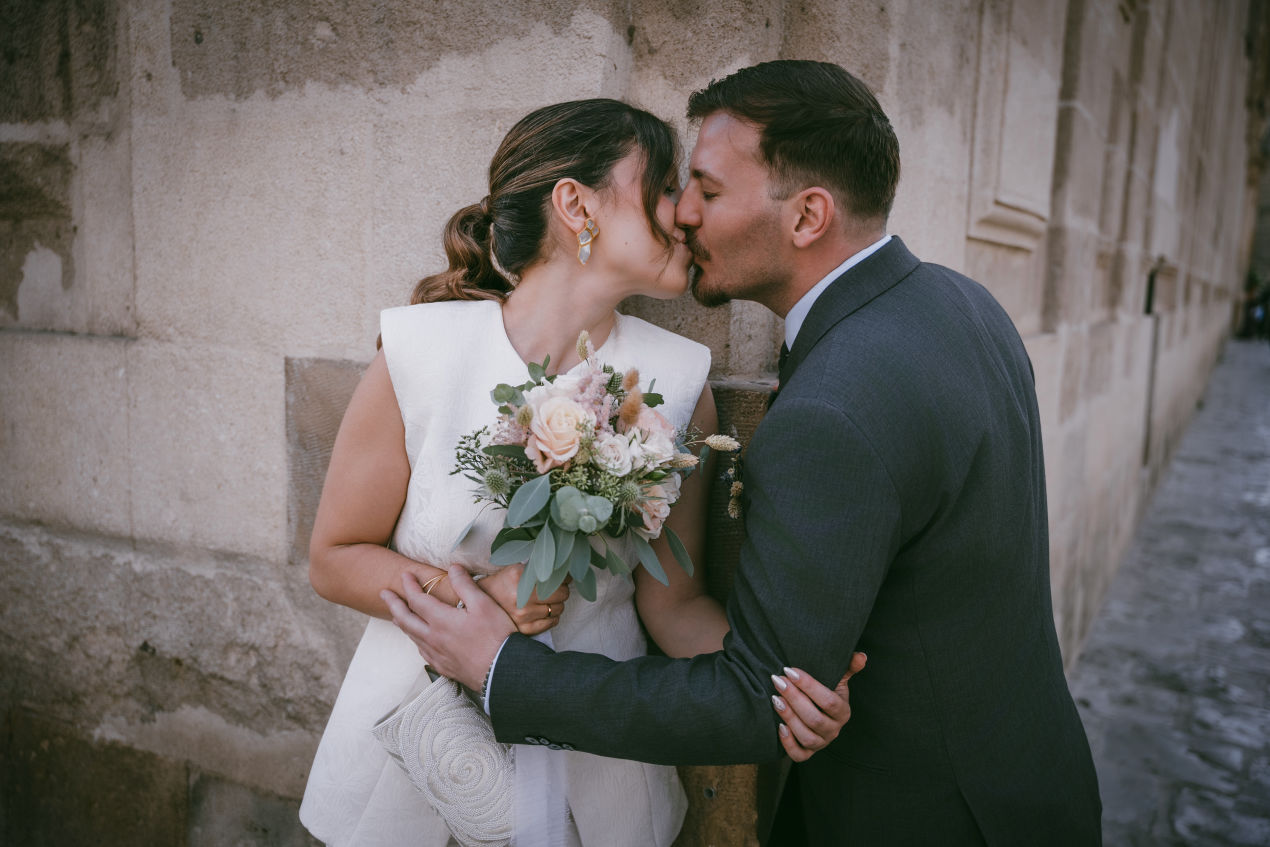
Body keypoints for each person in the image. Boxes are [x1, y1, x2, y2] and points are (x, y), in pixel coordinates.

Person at [387, 60, 1105, 846]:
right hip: (1030, 783)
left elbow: (743, 698)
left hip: (924, 816)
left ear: (807, 217)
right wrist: (777, 680)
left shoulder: (829, 406)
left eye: (709, 189)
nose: (683, 212)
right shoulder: (960, 301)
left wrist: (504, 671)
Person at [299, 98, 859, 847]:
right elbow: (334, 559)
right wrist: (471, 595)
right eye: (664, 186)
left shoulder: (676, 385)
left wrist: (787, 684)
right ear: (576, 205)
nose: (687, 213)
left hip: (597, 774)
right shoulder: (417, 352)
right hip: (418, 755)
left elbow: (675, 604)